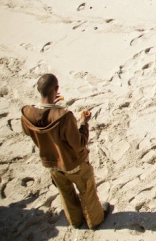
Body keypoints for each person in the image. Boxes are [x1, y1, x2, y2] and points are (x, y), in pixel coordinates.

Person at [21, 74, 110, 230]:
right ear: (56, 90)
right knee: (86, 190)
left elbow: (28, 131)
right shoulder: (63, 116)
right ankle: (94, 220)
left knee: (65, 192)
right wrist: (83, 123)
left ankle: (75, 221)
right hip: (72, 162)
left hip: (51, 163)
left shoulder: (27, 113)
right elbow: (79, 144)